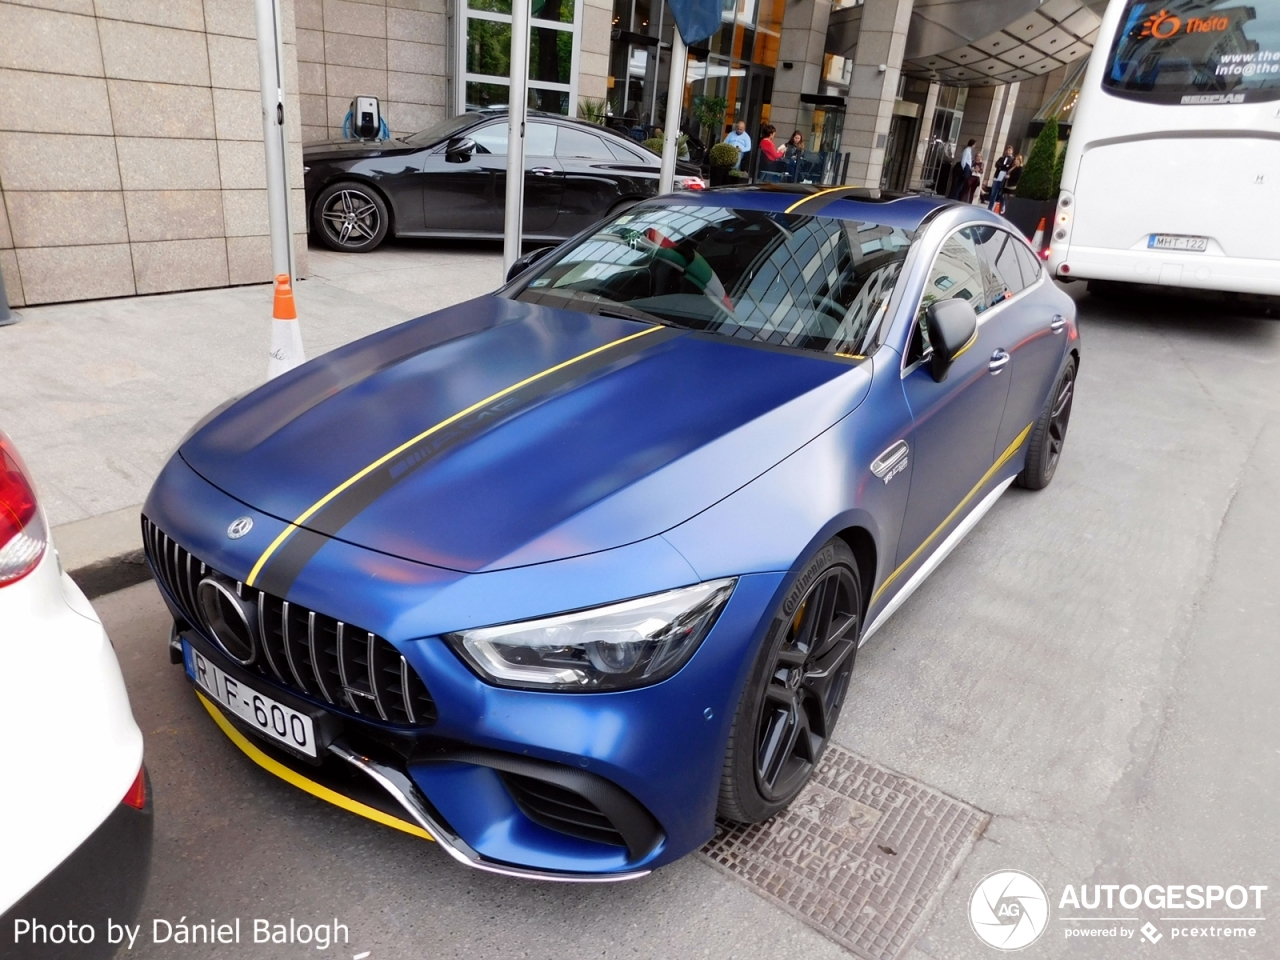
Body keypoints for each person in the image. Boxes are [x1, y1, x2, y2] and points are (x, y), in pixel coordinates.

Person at [988, 145, 1015, 210]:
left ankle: (1002, 208)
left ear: (1012, 151)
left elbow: (1008, 167)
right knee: (993, 193)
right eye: (1007, 150)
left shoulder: (1012, 159)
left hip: (1004, 178)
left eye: (1009, 150)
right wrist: (1004, 166)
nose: (1008, 152)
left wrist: (1003, 167)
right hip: (997, 177)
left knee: (1001, 194)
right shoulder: (1002, 158)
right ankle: (990, 208)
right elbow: (997, 164)